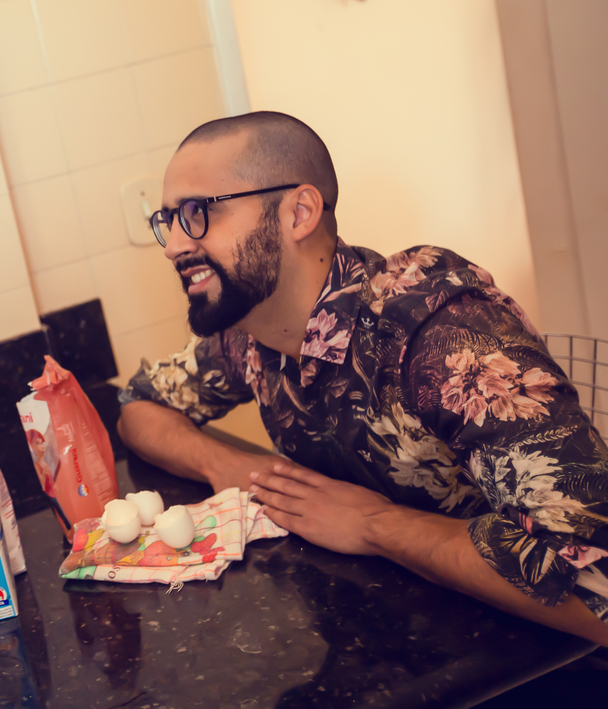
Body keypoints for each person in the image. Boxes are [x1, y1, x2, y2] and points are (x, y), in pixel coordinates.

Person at [118, 111, 608, 647]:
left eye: (196, 212)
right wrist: (227, 464)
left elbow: (595, 590)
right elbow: (140, 407)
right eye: (167, 220)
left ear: (298, 212)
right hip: (396, 638)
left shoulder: (439, 331)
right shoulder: (249, 329)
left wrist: (376, 525)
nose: (172, 246)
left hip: (536, 665)